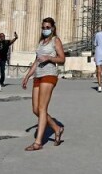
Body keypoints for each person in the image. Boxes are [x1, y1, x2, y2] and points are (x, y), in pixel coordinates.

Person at [22, 17, 65, 151]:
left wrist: (49, 58)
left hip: (49, 74)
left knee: (42, 108)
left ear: (52, 28)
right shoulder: (41, 42)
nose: (45, 30)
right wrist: (27, 75)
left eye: (47, 27)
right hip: (38, 75)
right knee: (36, 109)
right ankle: (56, 128)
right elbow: (36, 61)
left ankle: (38, 142)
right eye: (43, 27)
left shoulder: (55, 40)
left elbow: (62, 59)